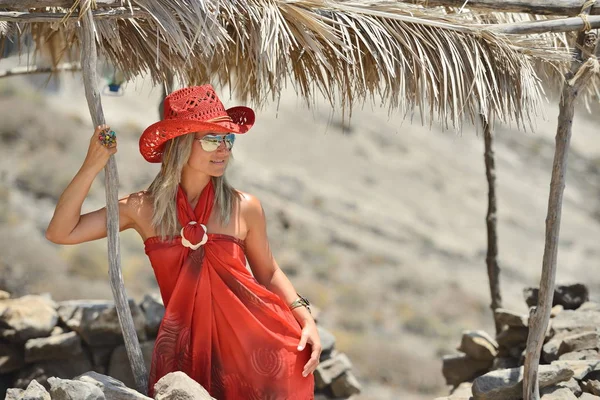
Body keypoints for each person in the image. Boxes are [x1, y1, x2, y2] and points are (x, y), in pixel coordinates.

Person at [45, 85, 320, 399]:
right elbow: (60, 232)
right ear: (180, 144)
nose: (224, 149)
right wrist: (92, 165)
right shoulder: (142, 209)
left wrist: (306, 319)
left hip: (262, 350)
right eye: (212, 139)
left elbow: (268, 273)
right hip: (184, 358)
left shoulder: (244, 206)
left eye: (228, 139)